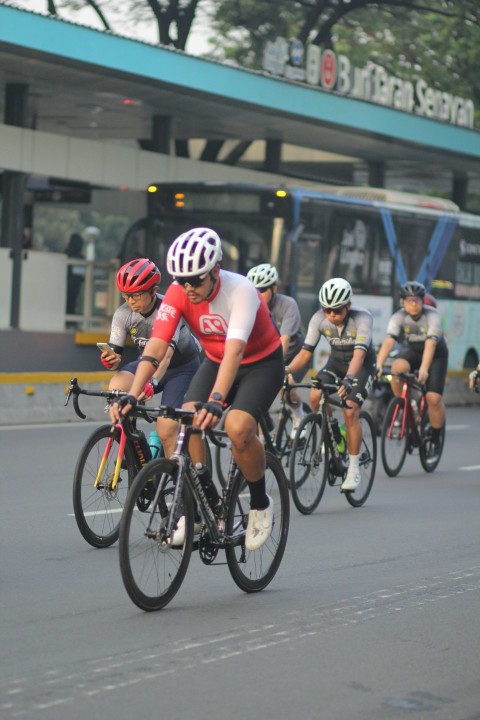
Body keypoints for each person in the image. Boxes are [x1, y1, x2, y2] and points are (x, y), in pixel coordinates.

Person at [109, 228, 284, 550]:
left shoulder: (241, 291)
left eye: (196, 281)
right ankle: (202, 503)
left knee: (238, 427)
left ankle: (260, 503)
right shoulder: (178, 293)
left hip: (260, 363)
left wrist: (217, 400)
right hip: (215, 362)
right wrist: (133, 394)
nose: (188, 288)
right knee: (185, 422)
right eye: (181, 280)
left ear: (215, 271)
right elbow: (155, 347)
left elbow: (236, 351)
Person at [100, 258, 201, 457]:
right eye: (125, 296)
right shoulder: (123, 314)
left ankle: (172, 475)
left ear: (153, 291)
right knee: (116, 385)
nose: (130, 301)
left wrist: (153, 383)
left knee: (165, 428)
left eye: (136, 295)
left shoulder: (169, 308)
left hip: (181, 368)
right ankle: (134, 449)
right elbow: (116, 358)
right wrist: (111, 362)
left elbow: (167, 354)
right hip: (148, 363)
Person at [285, 278, 376, 492]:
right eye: (328, 311)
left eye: (337, 311)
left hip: (361, 366)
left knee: (351, 409)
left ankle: (353, 468)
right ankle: (333, 434)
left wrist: (349, 379)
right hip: (335, 363)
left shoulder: (362, 318)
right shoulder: (319, 319)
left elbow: (359, 356)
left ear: (348, 306)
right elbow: (306, 352)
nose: (332, 316)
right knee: (315, 396)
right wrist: (286, 370)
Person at [376, 281, 448, 460]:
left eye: (417, 300)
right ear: (403, 302)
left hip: (436, 355)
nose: (413, 304)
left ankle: (436, 439)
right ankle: (403, 405)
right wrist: (378, 365)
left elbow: (431, 344)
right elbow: (389, 341)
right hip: (414, 351)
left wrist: (424, 369)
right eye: (409, 300)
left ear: (423, 301)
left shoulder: (432, 316)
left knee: (433, 398)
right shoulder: (398, 317)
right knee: (397, 369)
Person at [246, 263, 306, 437]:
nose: (257, 295)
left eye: (262, 290)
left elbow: (284, 339)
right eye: (254, 290)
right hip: (265, 354)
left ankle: (298, 415)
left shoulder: (288, 304)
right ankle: (263, 438)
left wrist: (276, 368)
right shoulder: (249, 306)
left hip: (293, 354)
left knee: (286, 388)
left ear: (274, 288)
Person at [65, 232, 85, 315]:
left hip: (66, 286)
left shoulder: (66, 254)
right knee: (72, 303)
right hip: (74, 287)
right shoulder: (80, 258)